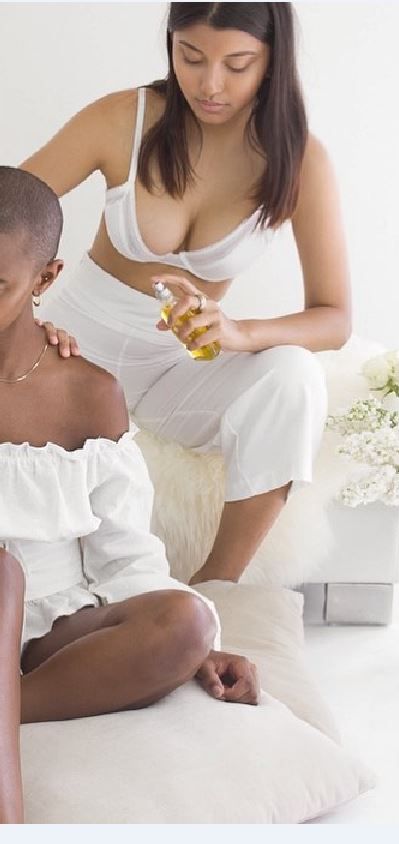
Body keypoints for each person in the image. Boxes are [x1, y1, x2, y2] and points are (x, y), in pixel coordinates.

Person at [22, 2, 352, 586]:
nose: (210, 85)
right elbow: (10, 216)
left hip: (177, 371)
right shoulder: (124, 118)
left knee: (294, 377)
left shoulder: (300, 160)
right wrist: (24, 317)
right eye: (191, 57)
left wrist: (239, 332)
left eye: (237, 64)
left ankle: (217, 588)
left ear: (273, 59)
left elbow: (334, 318)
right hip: (71, 350)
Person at [0, 166, 259, 825]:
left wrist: (194, 649)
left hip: (52, 634)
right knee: (2, 575)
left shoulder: (88, 393)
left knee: (187, 621)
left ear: (45, 280)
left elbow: (125, 553)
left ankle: (11, 705)